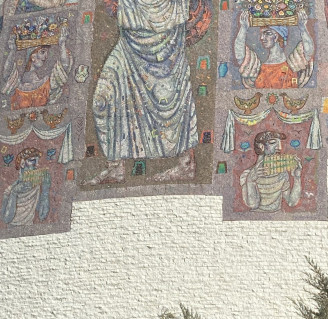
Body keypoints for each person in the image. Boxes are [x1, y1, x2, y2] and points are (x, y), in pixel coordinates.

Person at [84, 0, 202, 185]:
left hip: (166, 49)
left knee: (172, 103)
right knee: (102, 99)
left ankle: (185, 164)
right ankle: (115, 167)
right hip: (128, 46)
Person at [234, 9, 314, 89]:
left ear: (276, 37)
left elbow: (308, 52)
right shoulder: (257, 67)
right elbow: (240, 55)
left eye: (267, 33)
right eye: (262, 34)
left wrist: (303, 28)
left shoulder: (293, 64)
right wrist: (243, 28)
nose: (262, 38)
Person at [2, 25, 72, 110]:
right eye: (42, 52)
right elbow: (7, 73)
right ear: (32, 56)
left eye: (46, 53)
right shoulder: (16, 83)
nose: (46, 57)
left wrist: (62, 44)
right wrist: (12, 50)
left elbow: (64, 67)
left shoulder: (46, 84)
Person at [240, 131, 302, 212]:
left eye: (280, 143)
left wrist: (297, 178)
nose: (279, 148)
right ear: (261, 146)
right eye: (273, 143)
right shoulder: (247, 174)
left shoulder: (282, 173)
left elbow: (291, 202)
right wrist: (250, 181)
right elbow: (253, 205)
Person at [1, 147, 51, 226]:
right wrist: (9, 194)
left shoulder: (37, 184)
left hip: (29, 225)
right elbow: (6, 218)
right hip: (13, 226)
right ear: (22, 163)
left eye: (37, 161)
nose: (37, 165)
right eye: (32, 160)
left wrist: (45, 190)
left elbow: (42, 213)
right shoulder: (13, 188)